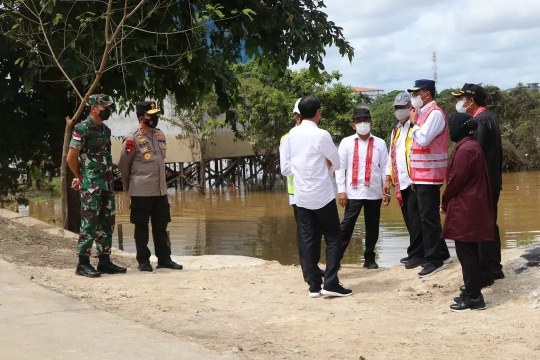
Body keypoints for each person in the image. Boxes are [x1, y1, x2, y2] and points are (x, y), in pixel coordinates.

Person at [281, 95, 352, 298]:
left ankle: (313, 285)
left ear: (299, 115)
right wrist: (325, 165)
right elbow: (337, 163)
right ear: (318, 112)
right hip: (322, 194)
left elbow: (286, 168)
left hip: (301, 195)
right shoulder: (321, 135)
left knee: (308, 238)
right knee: (333, 236)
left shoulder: (290, 136)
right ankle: (331, 282)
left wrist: (302, 170)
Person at [117, 101, 183, 272]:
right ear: (141, 118)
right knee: (141, 226)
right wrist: (128, 187)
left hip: (160, 190)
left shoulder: (159, 135)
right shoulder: (132, 139)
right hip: (141, 191)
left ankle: (164, 259)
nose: (154, 118)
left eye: (155, 114)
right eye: (150, 115)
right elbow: (123, 165)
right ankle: (144, 261)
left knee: (161, 225)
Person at [67, 94, 127, 278]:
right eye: (104, 106)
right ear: (94, 108)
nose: (107, 109)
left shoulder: (105, 130)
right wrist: (81, 177)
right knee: (89, 222)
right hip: (91, 185)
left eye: (108, 106)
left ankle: (104, 260)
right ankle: (82, 263)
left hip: (106, 183)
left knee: (107, 222)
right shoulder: (82, 128)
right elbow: (71, 157)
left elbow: (104, 157)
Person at [440, 113, 494, 312]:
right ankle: (472, 290)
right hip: (472, 206)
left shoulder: (465, 150)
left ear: (460, 128)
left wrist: (444, 200)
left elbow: (456, 181)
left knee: (466, 252)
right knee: (469, 251)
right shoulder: (472, 146)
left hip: (466, 207)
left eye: (451, 126)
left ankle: (474, 296)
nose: (449, 131)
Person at [452, 83, 504, 287]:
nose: (460, 103)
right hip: (492, 182)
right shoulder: (487, 118)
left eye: (462, 99)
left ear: (471, 101)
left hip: (484, 186)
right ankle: (493, 267)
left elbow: (475, 157)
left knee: (481, 227)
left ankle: (485, 272)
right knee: (489, 224)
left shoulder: (480, 122)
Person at [408, 79, 452, 278]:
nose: (414, 97)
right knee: (427, 217)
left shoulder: (434, 114)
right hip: (421, 175)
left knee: (429, 219)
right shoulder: (424, 114)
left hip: (430, 175)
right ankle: (442, 253)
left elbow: (424, 139)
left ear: (426, 93)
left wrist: (414, 123)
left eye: (416, 93)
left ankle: (434, 260)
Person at [336, 108, 388, 269]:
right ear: (353, 125)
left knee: (373, 226)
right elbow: (340, 168)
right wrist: (341, 190)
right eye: (359, 121)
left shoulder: (380, 143)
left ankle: (370, 258)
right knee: (346, 226)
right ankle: (336, 258)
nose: (363, 123)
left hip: (374, 191)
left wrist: (386, 187)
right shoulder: (346, 143)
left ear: (371, 123)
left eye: (366, 120)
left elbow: (386, 166)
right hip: (353, 192)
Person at [279, 99, 325, 279]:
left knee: (317, 231)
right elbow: (286, 168)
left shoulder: (315, 135)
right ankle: (308, 270)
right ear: (296, 117)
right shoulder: (287, 138)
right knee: (305, 233)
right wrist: (305, 172)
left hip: (316, 192)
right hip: (297, 193)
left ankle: (314, 265)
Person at [383, 92, 425, 269]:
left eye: (403, 107)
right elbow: (391, 155)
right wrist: (387, 180)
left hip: (414, 179)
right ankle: (419, 252)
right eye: (397, 108)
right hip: (400, 181)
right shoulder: (396, 130)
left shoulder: (417, 125)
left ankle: (417, 254)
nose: (399, 111)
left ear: (411, 108)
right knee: (409, 218)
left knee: (416, 219)